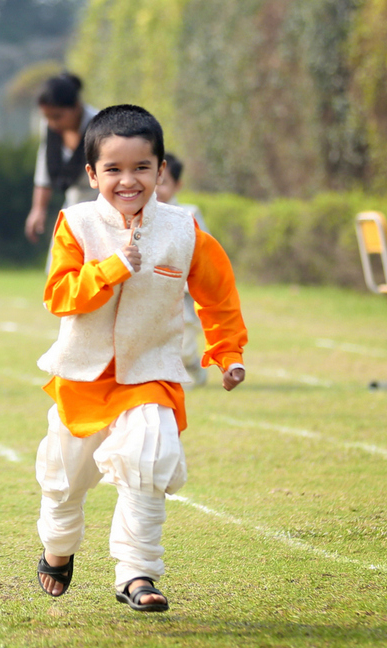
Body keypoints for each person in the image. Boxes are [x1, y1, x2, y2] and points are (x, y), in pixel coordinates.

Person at [34, 105, 247, 612]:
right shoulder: (76, 224)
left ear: (161, 171)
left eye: (141, 168)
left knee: (150, 456)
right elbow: (59, 297)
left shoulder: (184, 229)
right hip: (83, 377)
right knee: (65, 479)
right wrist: (109, 268)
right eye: (113, 169)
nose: (128, 180)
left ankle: (137, 573)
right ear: (91, 174)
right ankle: (58, 549)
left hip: (150, 372)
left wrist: (228, 354)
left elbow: (217, 296)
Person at [24, 73, 100, 250]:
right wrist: (38, 209)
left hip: (102, 207)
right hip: (73, 207)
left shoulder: (100, 125)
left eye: (57, 116)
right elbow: (44, 167)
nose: (52, 123)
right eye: (47, 117)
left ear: (76, 106)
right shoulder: (50, 128)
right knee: (60, 267)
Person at [157, 152, 209, 386]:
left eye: (164, 182)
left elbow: (205, 251)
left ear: (178, 185)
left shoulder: (189, 214)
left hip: (184, 293)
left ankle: (193, 366)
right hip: (154, 292)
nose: (157, 189)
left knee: (185, 342)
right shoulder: (138, 215)